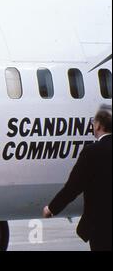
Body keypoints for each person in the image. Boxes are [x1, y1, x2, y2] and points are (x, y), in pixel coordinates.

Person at [43, 104, 112, 251]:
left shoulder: (91, 152)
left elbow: (73, 187)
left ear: (99, 125)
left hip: (101, 225)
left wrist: (52, 208)